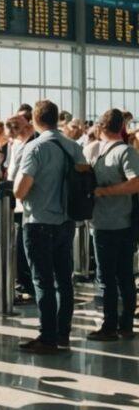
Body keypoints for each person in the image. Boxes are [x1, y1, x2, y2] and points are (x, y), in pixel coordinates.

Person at [13, 99, 85, 354]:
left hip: (39, 222)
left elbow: (20, 191)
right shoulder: (73, 146)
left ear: (35, 119)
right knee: (64, 281)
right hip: (67, 222)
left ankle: (47, 336)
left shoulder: (35, 148)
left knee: (42, 282)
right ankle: (63, 333)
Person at [84, 109, 139, 341]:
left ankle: (110, 325)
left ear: (100, 127)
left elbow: (135, 183)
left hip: (110, 223)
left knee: (107, 277)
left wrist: (104, 191)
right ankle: (125, 324)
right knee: (124, 275)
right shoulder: (110, 151)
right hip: (118, 222)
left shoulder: (122, 152)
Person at [5, 113, 38, 298]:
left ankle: (28, 284)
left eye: (18, 126)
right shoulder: (15, 144)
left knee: (23, 247)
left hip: (25, 202)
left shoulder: (33, 145)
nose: (15, 130)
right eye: (12, 126)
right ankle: (23, 281)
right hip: (15, 202)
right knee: (18, 245)